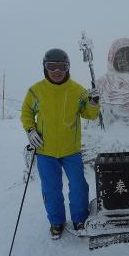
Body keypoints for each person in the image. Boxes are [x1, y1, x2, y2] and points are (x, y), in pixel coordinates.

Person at [20, 48, 100, 240]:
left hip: (71, 150)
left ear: (67, 68)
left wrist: (93, 103)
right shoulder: (36, 90)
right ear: (45, 68)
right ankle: (56, 222)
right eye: (52, 66)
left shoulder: (78, 91)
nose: (57, 71)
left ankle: (80, 219)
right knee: (51, 188)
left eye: (61, 67)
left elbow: (89, 115)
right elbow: (26, 113)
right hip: (45, 151)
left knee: (79, 186)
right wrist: (30, 131)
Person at [96, 38, 129, 127]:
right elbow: (95, 114)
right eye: (120, 56)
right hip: (111, 130)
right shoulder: (103, 83)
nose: (124, 60)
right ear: (112, 58)